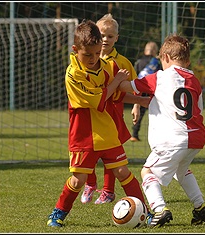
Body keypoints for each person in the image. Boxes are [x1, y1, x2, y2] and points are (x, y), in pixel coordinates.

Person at [47, 19, 146, 227]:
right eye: (87, 55)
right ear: (75, 50)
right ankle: (58, 213)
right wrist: (116, 81)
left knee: (123, 172)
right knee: (78, 180)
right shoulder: (73, 75)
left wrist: (147, 94)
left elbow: (118, 92)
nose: (93, 59)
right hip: (84, 135)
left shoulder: (106, 67)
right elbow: (101, 99)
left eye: (95, 53)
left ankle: (145, 212)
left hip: (107, 130)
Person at [118, 34, 205, 227]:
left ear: (166, 58)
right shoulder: (194, 80)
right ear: (187, 61)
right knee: (182, 170)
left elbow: (125, 87)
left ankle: (160, 209)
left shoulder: (158, 77)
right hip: (196, 138)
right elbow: (199, 110)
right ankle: (200, 207)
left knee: (148, 172)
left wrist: (119, 79)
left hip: (172, 140)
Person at [80, 13, 143, 205]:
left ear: (117, 38)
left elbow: (134, 86)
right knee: (86, 148)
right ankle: (90, 183)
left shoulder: (122, 62)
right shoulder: (88, 59)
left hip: (112, 112)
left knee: (111, 153)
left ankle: (108, 191)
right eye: (101, 35)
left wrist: (136, 106)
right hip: (91, 111)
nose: (105, 39)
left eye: (110, 36)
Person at [130, 41, 161, 142]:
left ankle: (134, 134)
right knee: (158, 113)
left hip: (140, 90)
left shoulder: (139, 62)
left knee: (139, 113)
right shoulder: (156, 62)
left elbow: (135, 75)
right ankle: (158, 135)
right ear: (155, 51)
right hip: (153, 90)